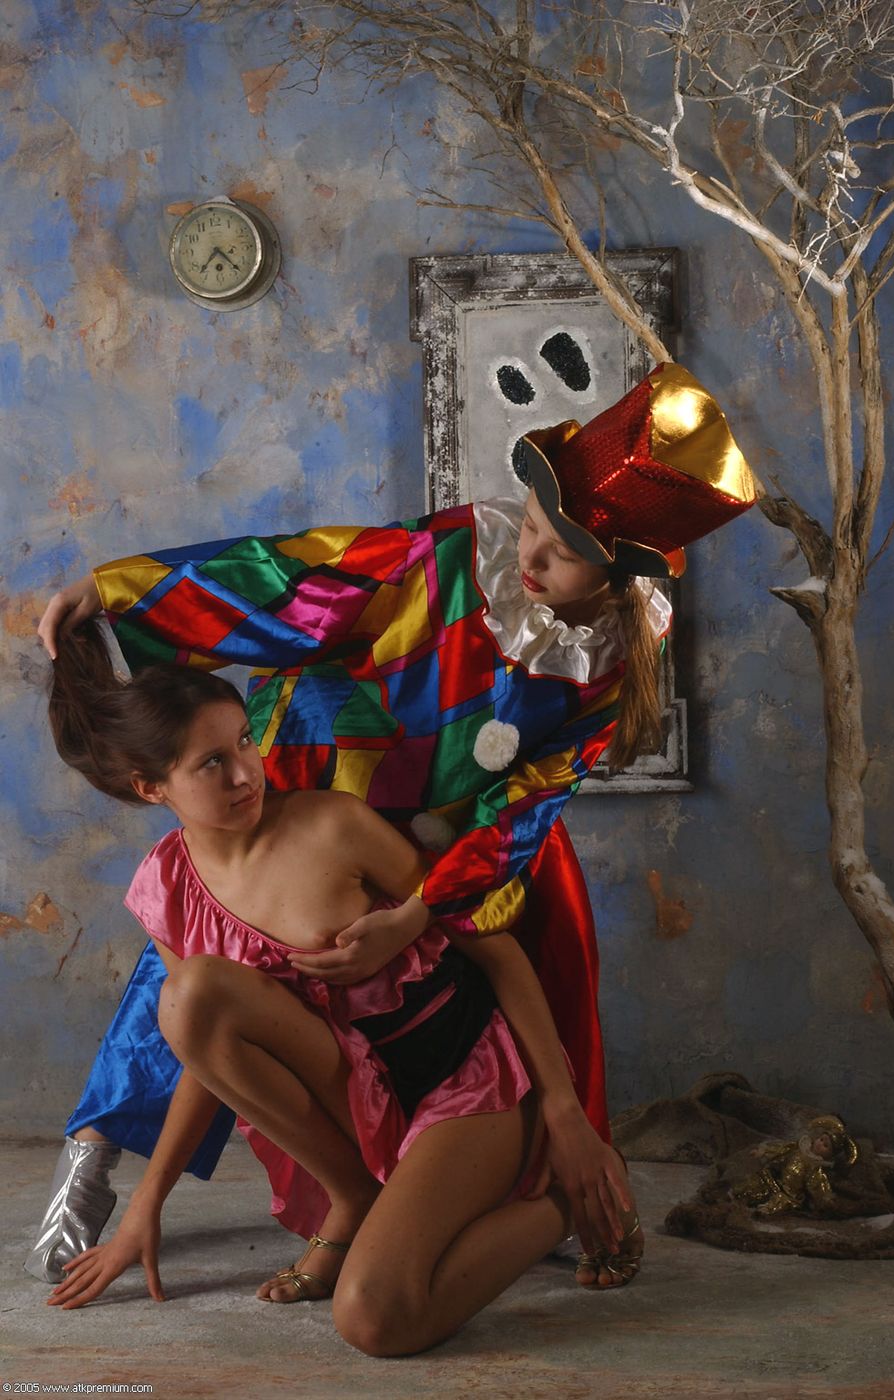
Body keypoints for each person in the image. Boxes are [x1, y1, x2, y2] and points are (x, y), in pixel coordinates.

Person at [30, 361, 757, 1289]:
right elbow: (299, 577)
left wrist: (425, 908)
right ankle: (100, 1151)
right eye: (533, 525)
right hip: (328, 767)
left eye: (561, 553)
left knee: (528, 947)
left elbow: (530, 798)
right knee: (207, 947)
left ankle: (525, 1167)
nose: (530, 556)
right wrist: (126, 592)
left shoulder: (613, 661)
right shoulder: (453, 553)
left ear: (618, 578)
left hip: (463, 833)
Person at [41, 622, 638, 1350]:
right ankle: (353, 1196)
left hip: (461, 1081)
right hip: (352, 1092)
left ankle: (560, 1202)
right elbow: (202, 1052)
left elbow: (499, 953)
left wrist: (566, 1113)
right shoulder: (165, 885)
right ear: (151, 787)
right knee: (189, 994)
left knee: (375, 1319)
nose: (244, 774)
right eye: (211, 763)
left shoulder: (332, 824)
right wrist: (147, 1203)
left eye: (245, 743)